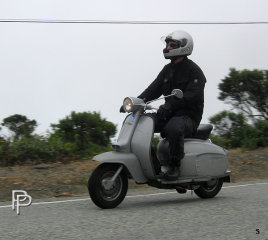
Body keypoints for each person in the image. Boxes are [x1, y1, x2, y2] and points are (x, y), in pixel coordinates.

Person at [121, 30, 206, 180]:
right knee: (141, 123)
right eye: (167, 44)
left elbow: (190, 96)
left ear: (184, 47)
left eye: (172, 45)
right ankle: (153, 167)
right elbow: (153, 89)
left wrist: (171, 106)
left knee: (173, 128)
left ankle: (175, 166)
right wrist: (135, 103)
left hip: (188, 117)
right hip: (169, 113)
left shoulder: (195, 72)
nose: (168, 48)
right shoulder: (168, 70)